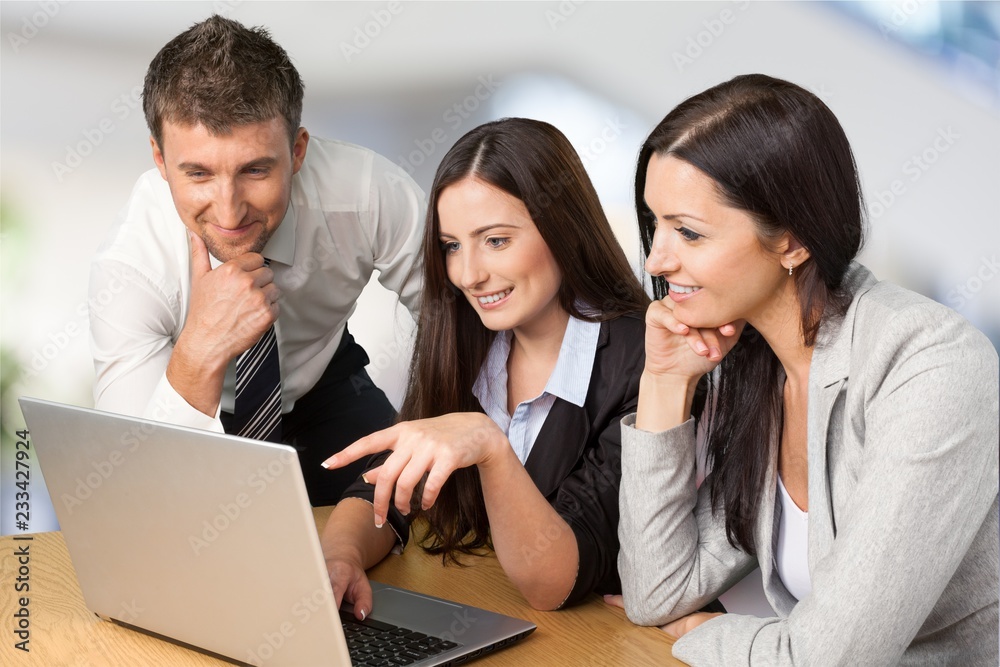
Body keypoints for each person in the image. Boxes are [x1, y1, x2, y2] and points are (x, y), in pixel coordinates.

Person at [608, 74, 999, 665]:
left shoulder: (930, 363)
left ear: (791, 241)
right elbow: (656, 592)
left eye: (687, 231)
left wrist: (705, 637)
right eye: (655, 224)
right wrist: (665, 382)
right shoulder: (757, 363)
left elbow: (829, 659)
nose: (658, 259)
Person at [319, 117, 650, 618]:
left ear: (563, 228)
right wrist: (341, 557)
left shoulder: (641, 360)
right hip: (494, 612)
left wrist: (489, 447)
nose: (468, 275)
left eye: (495, 240)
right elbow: (386, 487)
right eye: (452, 245)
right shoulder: (468, 340)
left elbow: (554, 582)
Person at [88, 16, 425, 505]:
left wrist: (436, 419)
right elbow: (128, 484)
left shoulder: (369, 196)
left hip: (325, 384)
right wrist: (200, 346)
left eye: (255, 170)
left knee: (411, 510)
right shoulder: (130, 267)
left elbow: (457, 316)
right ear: (160, 161)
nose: (229, 211)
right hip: (196, 414)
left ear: (297, 151)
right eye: (198, 173)